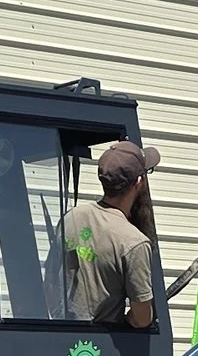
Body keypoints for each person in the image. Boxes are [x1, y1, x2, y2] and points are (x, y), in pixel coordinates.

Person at [62, 140, 161, 328]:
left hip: (63, 335)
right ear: (139, 182)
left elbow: (51, 282)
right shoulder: (134, 242)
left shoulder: (72, 218)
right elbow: (141, 319)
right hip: (103, 349)